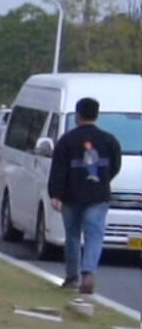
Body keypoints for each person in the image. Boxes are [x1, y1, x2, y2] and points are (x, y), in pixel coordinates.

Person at [48, 96, 124, 296]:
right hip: (98, 195)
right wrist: (103, 179)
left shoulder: (66, 140)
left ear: (78, 115)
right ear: (97, 115)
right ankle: (88, 272)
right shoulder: (110, 140)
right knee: (94, 235)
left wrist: (55, 194)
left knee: (72, 235)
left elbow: (58, 169)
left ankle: (72, 277)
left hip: (71, 195)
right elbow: (115, 166)